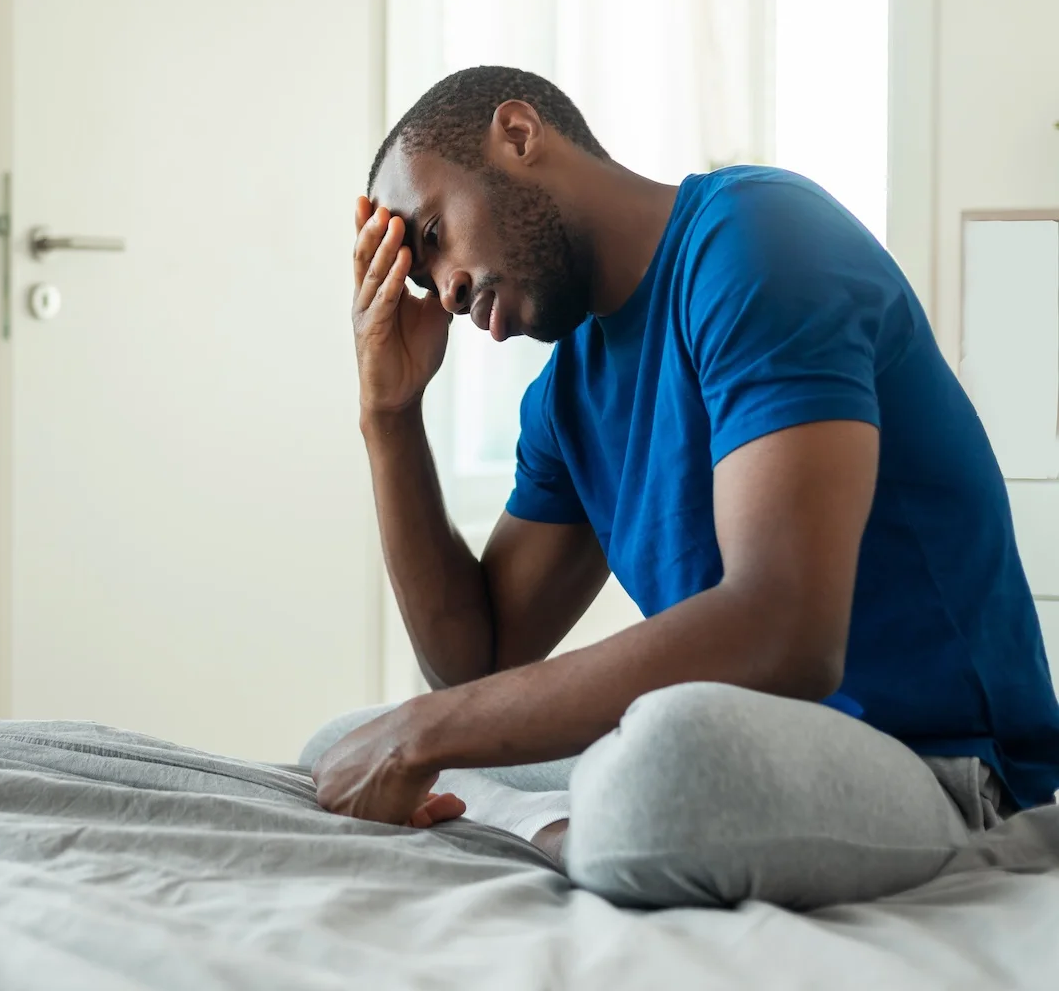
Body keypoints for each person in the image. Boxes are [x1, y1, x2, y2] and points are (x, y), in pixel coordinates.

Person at [301, 66, 1059, 910]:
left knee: (659, 764)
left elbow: (784, 630)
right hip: (754, 747)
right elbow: (474, 667)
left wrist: (423, 738)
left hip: (938, 766)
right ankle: (571, 817)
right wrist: (389, 413)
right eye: (418, 276)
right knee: (338, 744)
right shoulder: (566, 395)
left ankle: (540, 824)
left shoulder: (759, 237)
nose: (442, 287)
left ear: (518, 135)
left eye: (434, 232)